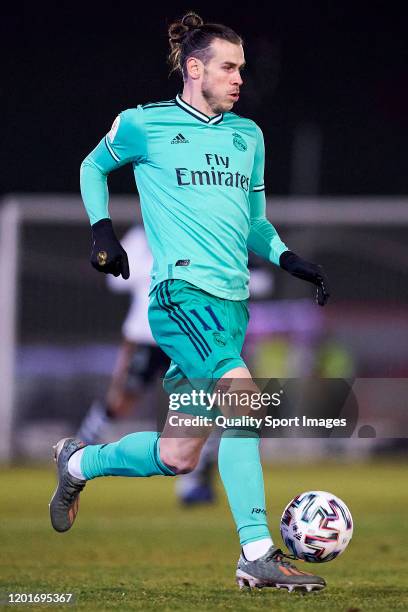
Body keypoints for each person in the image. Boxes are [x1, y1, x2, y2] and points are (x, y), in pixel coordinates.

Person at [50, 12, 329, 592]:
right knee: (246, 403)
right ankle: (255, 552)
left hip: (230, 307)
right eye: (228, 67)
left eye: (242, 70)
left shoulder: (246, 135)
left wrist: (286, 257)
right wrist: (100, 230)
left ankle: (76, 463)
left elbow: (254, 223)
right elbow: (93, 166)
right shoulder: (144, 124)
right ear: (194, 68)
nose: (238, 79)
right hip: (180, 297)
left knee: (179, 453)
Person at [76, 224, 218, 504]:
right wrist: (159, 268)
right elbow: (116, 278)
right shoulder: (140, 238)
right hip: (144, 337)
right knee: (120, 402)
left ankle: (193, 483)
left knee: (196, 407)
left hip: (185, 336)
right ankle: (77, 450)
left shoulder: (191, 231)